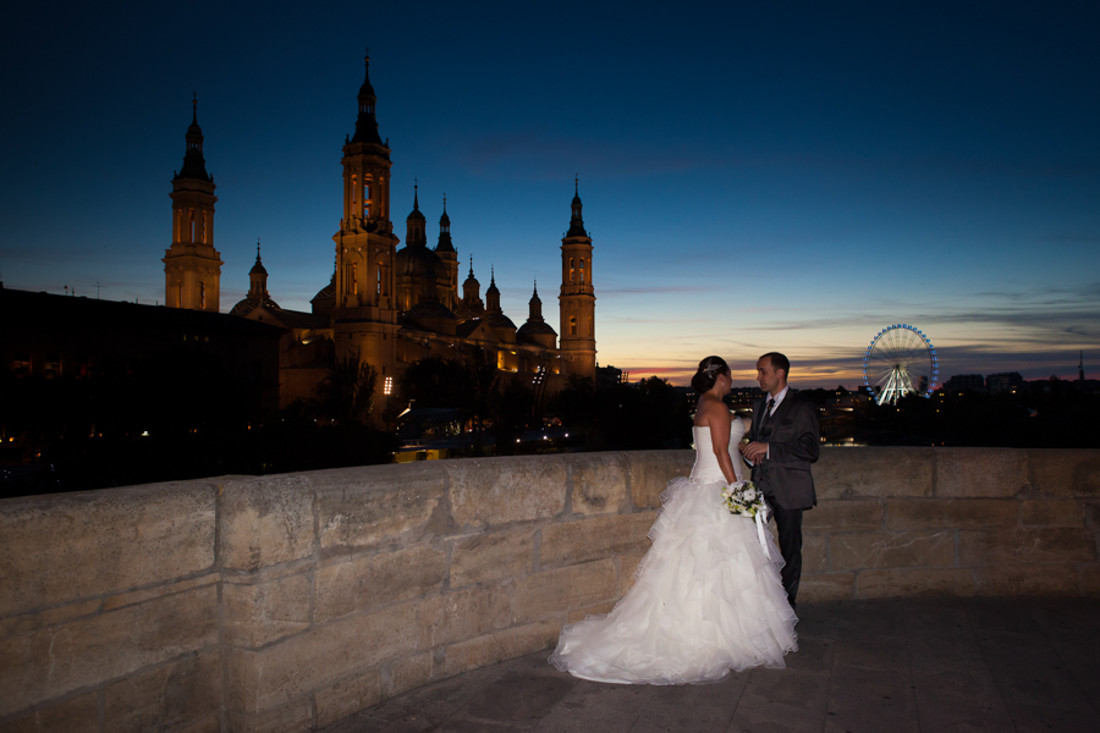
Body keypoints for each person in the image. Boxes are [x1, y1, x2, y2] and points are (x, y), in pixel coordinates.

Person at [550, 356, 797, 685]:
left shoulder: (704, 405)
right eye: (730, 376)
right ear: (720, 377)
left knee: (698, 566)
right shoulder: (718, 408)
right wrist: (738, 491)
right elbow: (723, 452)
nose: (733, 381)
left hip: (701, 487)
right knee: (726, 563)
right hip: (720, 488)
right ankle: (720, 637)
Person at [740, 352, 820, 608]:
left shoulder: (801, 407)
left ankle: (787, 607)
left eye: (763, 371)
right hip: (760, 487)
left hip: (789, 489)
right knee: (748, 543)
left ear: (780, 373)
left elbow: (810, 449)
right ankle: (757, 603)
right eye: (758, 371)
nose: (758, 377)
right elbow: (758, 443)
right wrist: (751, 452)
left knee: (790, 549)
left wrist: (769, 448)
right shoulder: (759, 405)